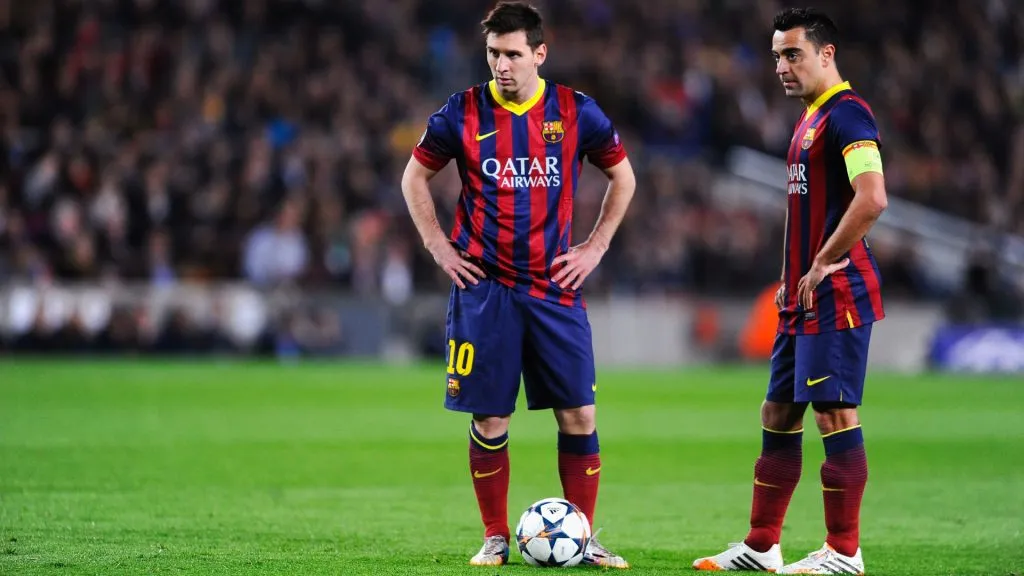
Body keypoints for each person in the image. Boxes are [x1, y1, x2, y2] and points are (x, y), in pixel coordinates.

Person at [400, 1, 636, 568]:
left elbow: (622, 176)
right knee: (490, 419)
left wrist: (596, 246)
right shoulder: (461, 112)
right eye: (492, 54)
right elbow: (415, 176)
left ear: (539, 54)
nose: (501, 66)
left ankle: (582, 535)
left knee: (579, 415)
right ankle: (496, 536)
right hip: (485, 289)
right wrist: (437, 245)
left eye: (511, 54)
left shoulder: (576, 111)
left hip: (554, 288)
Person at [693, 7, 887, 574]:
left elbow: (872, 198)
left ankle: (844, 553)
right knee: (778, 411)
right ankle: (761, 546)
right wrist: (791, 276)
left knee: (834, 415)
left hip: (838, 291)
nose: (781, 65)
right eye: (777, 54)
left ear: (827, 53)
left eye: (792, 53)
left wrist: (824, 260)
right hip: (800, 297)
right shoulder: (809, 119)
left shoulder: (848, 115)